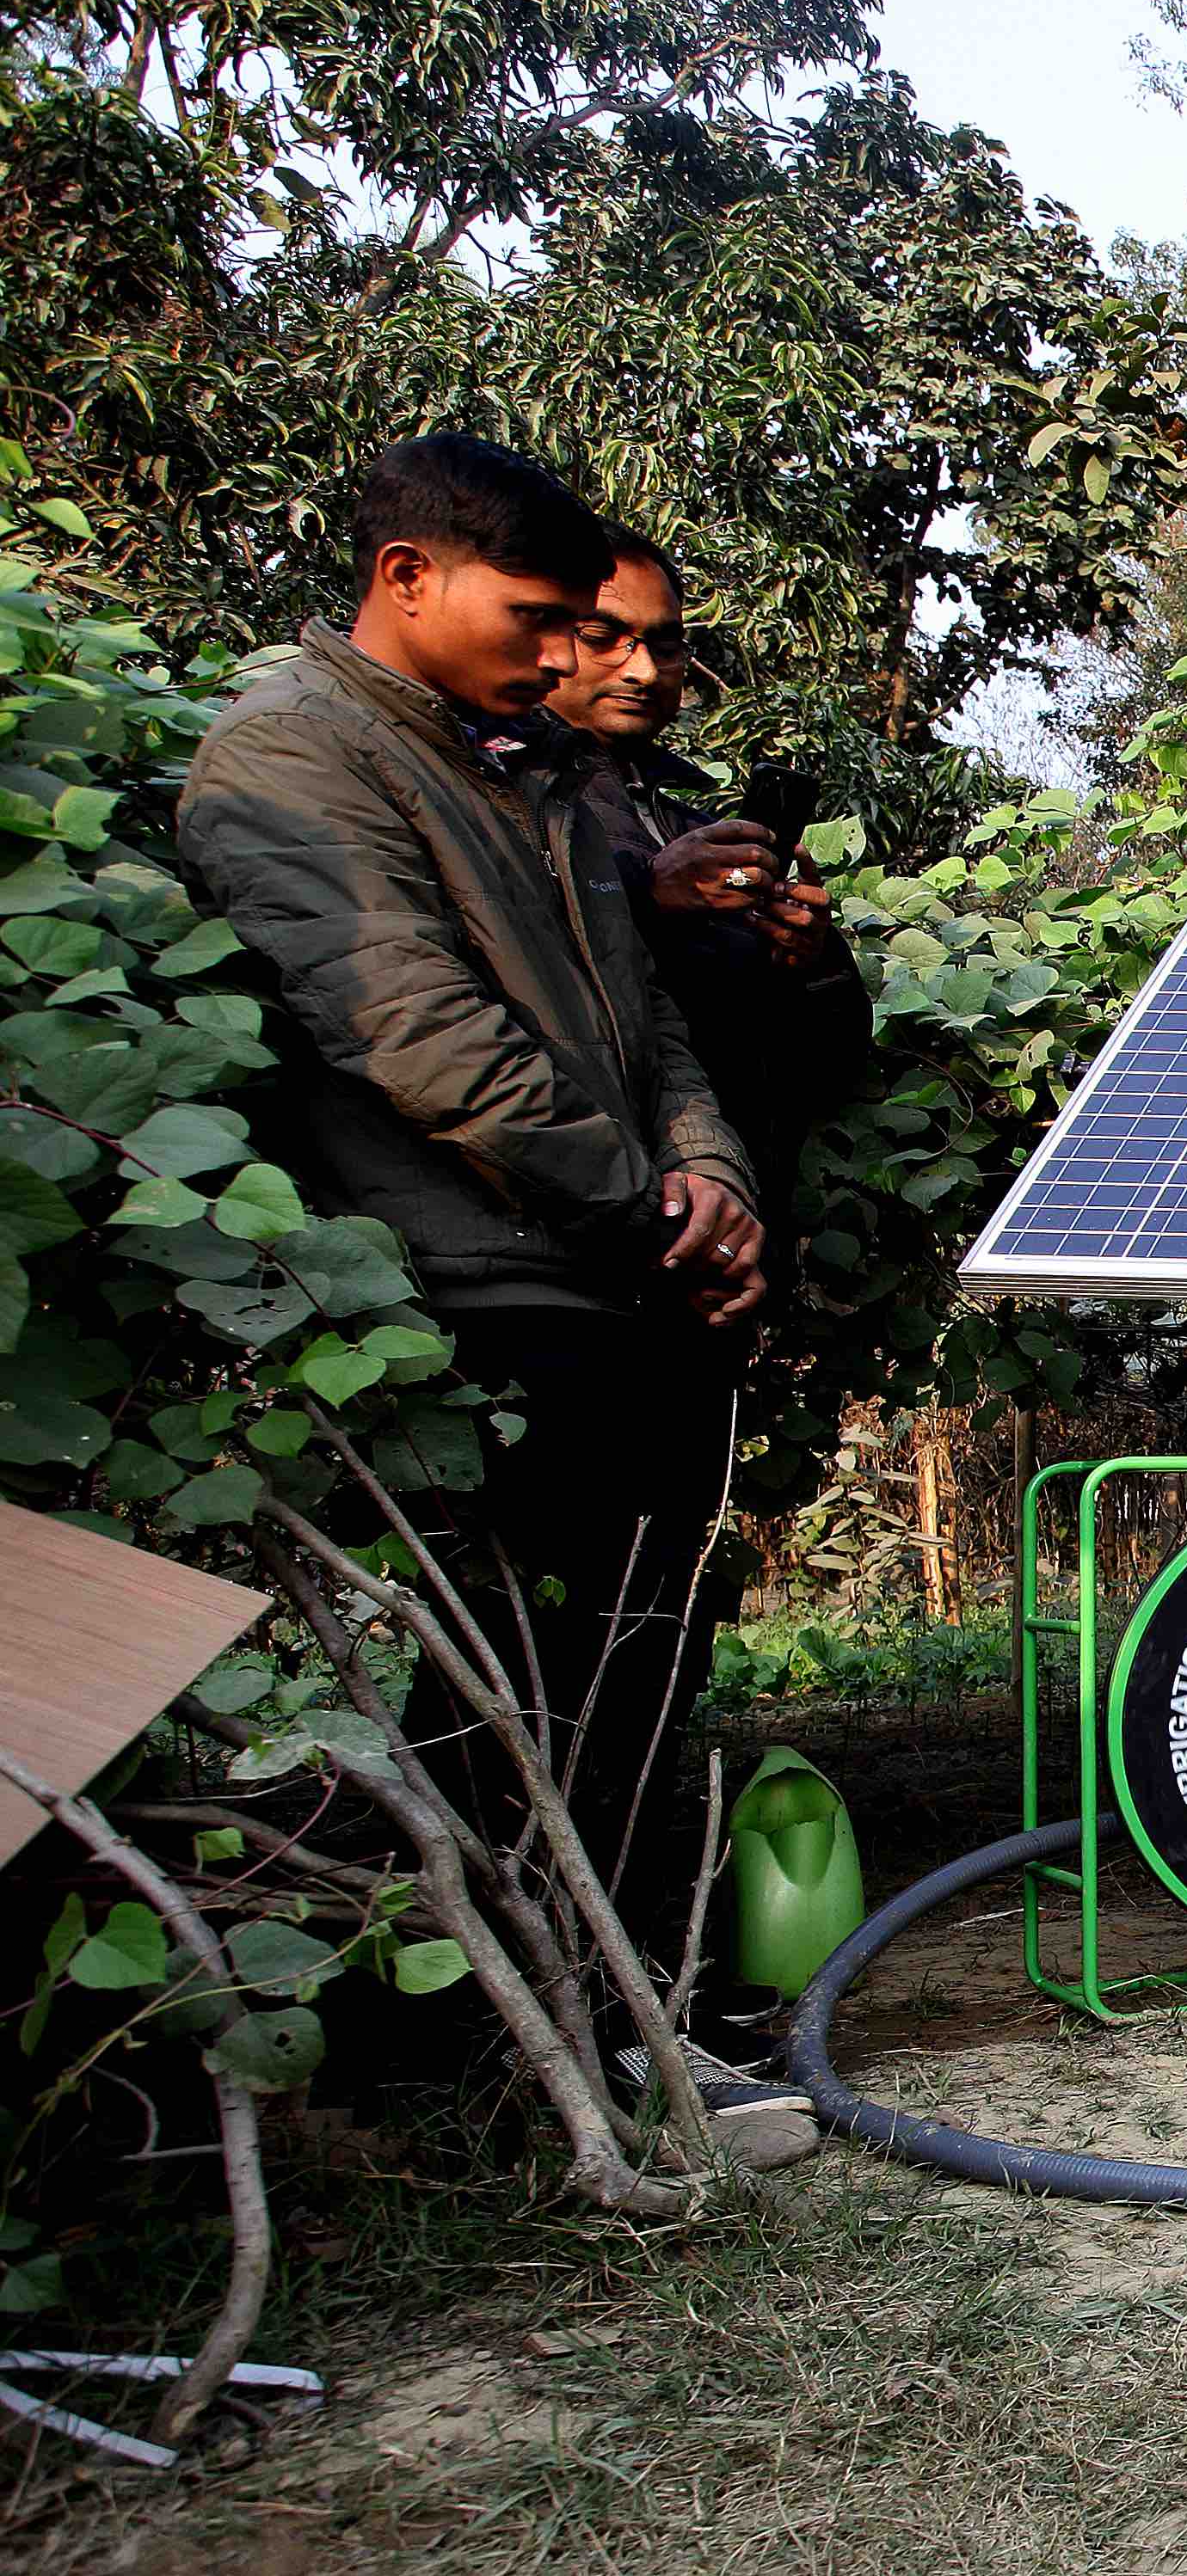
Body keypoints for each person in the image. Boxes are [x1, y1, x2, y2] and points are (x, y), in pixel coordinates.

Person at [178, 436, 771, 2057]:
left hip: (621, 1278)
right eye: (539, 612)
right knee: (498, 1699)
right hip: (470, 1292)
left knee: (635, 1676)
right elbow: (419, 1038)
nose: (568, 650)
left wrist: (710, 1172)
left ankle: (634, 2017)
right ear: (406, 578)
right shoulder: (287, 757)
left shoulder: (528, 770)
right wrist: (654, 1198)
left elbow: (650, 1026)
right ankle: (486, 2063)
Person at [544, 531, 876, 1303]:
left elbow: (826, 1068)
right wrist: (645, 892)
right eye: (604, 637)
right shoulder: (505, 805)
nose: (642, 668)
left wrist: (814, 961)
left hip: (723, 1248)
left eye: (665, 645)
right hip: (588, 1249)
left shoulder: (698, 831)